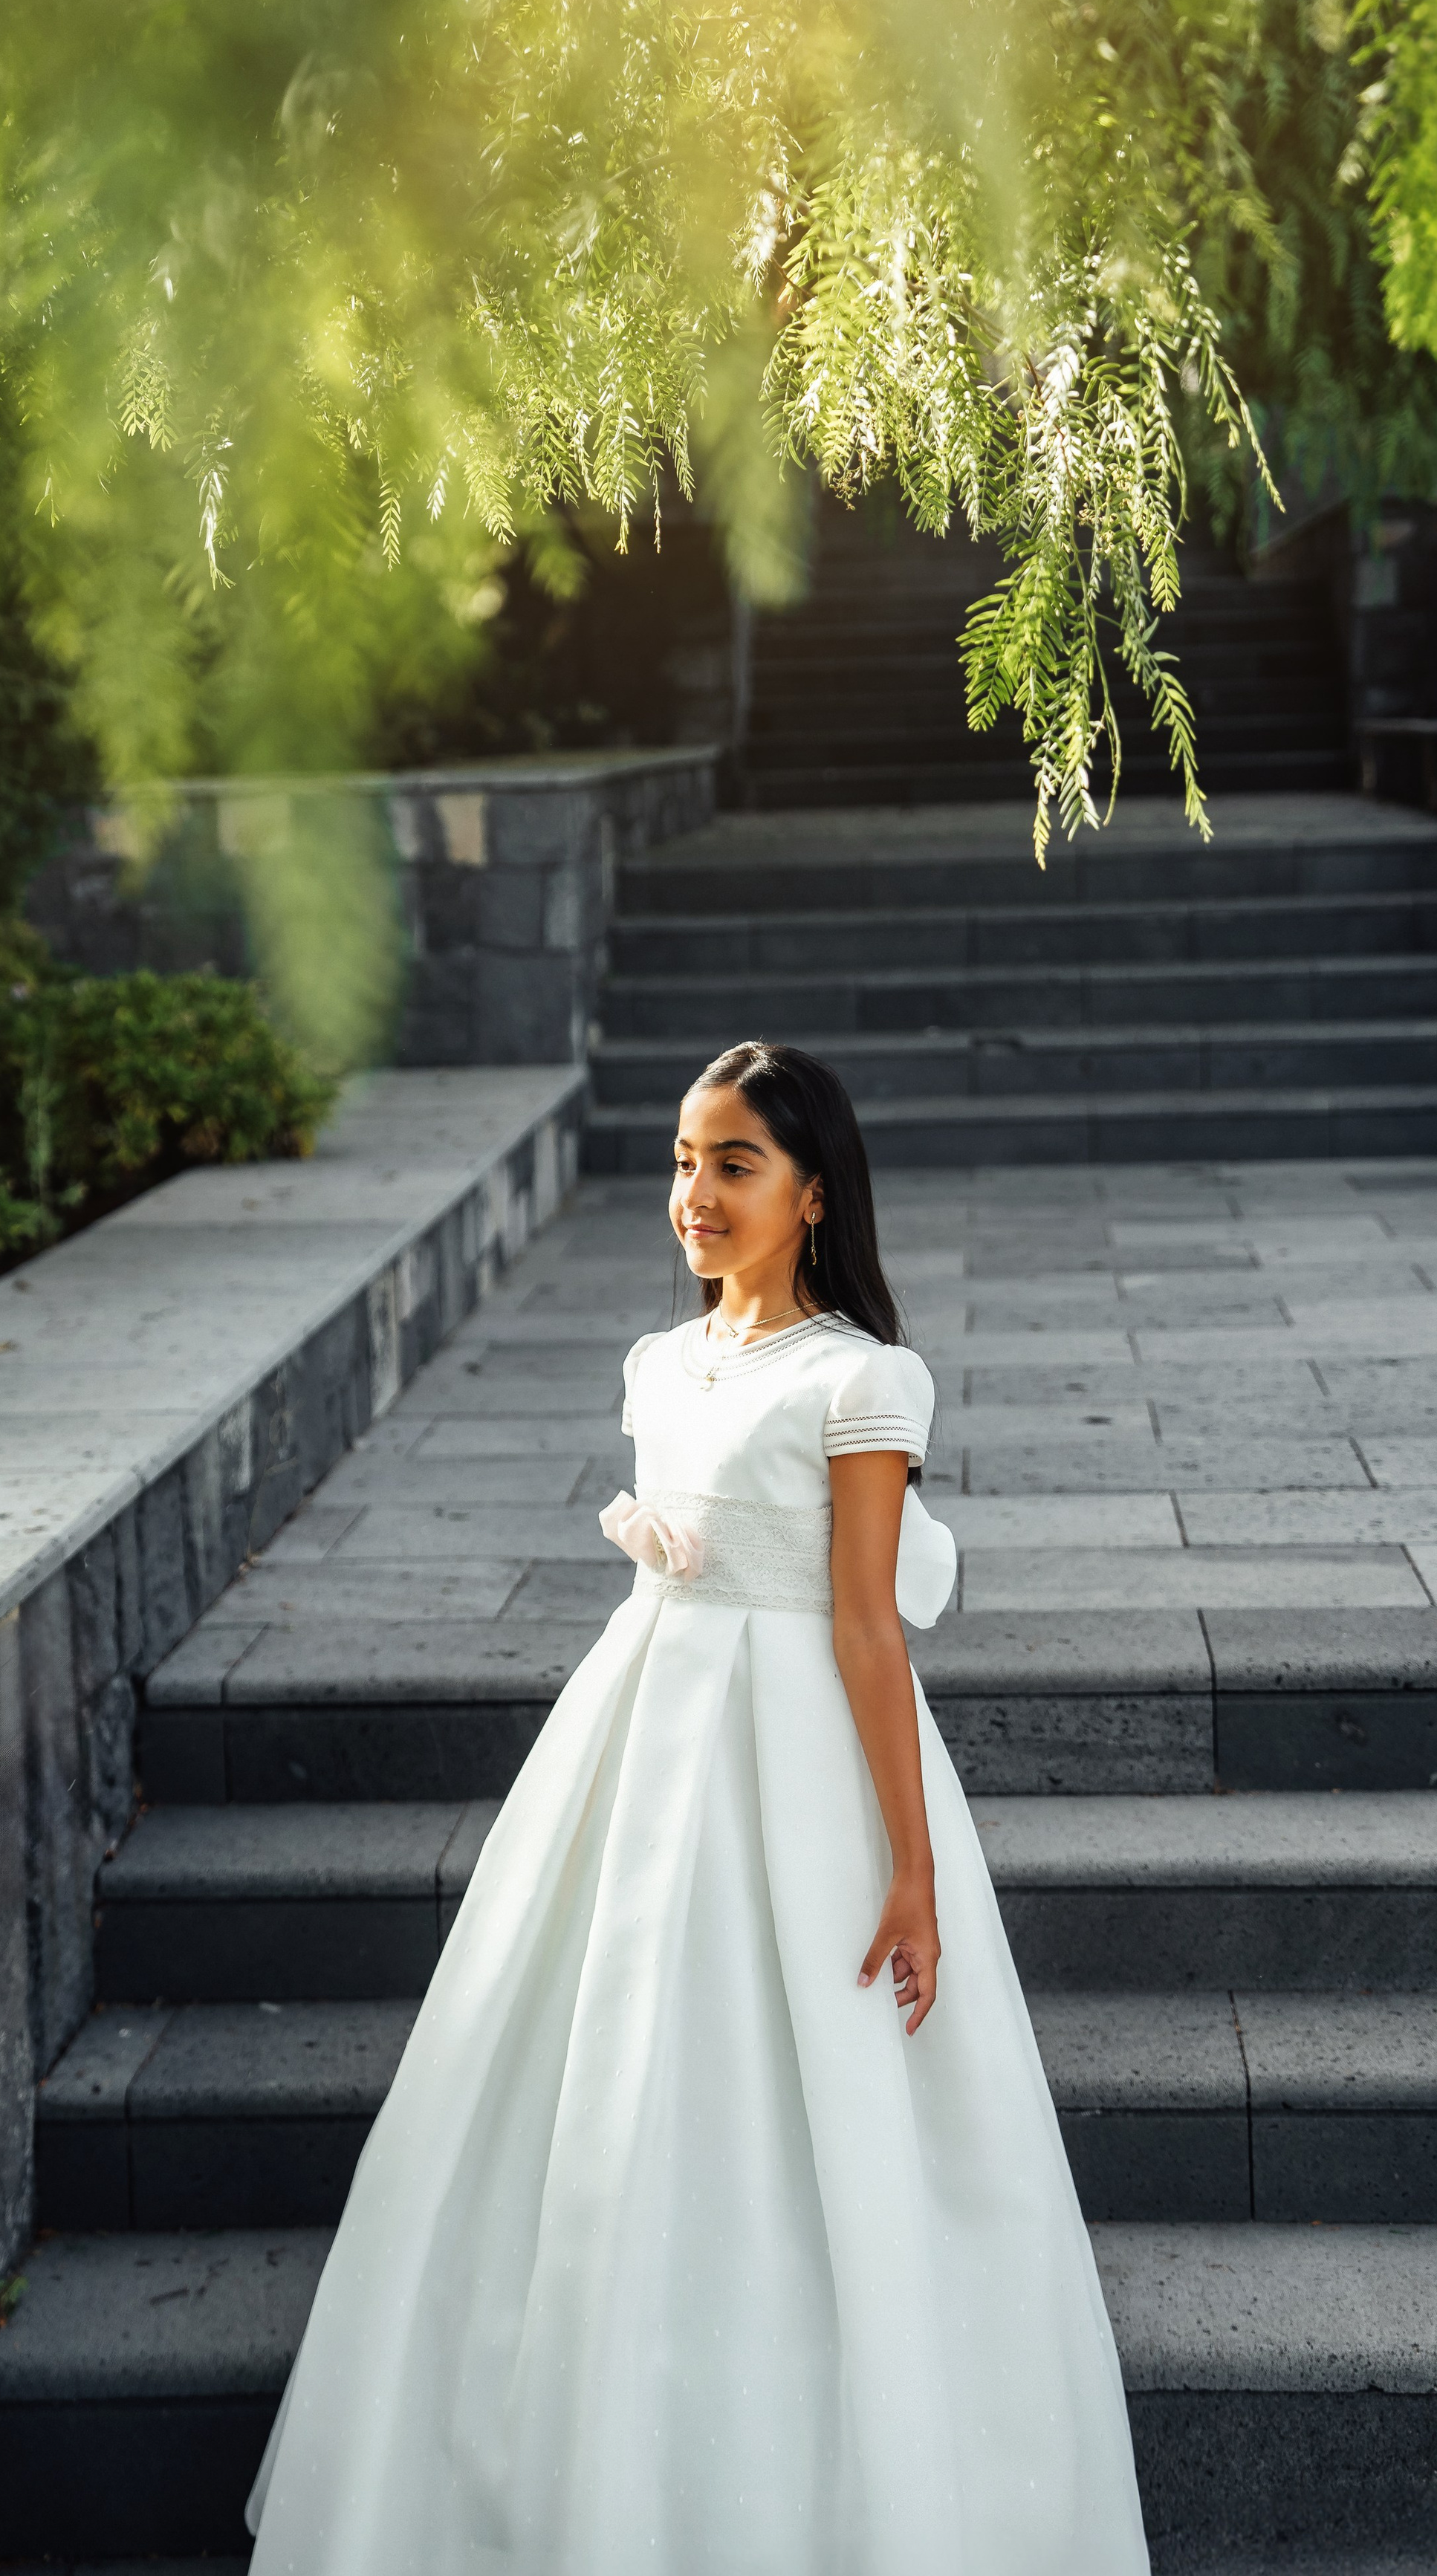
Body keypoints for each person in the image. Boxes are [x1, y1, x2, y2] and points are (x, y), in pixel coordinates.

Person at [246, 1039, 1150, 2575]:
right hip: (639, 1724)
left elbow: (866, 1625)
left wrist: (912, 1870)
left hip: (794, 1748)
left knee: (807, 2090)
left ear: (811, 1193)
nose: (697, 1192)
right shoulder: (663, 1362)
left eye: (734, 1163)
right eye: (682, 1158)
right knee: (577, 2047)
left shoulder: (860, 1377)